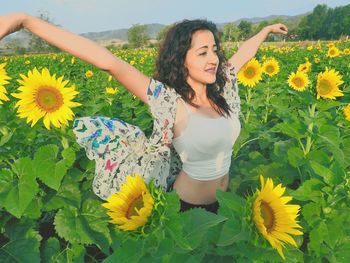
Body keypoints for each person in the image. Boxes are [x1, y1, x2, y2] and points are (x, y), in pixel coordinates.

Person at [0, 12, 288, 214]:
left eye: (214, 50)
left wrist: (263, 32)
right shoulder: (169, 102)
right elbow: (108, 62)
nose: (213, 58)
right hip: (186, 208)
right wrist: (27, 21)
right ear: (181, 59)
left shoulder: (222, 90)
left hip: (226, 200)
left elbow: (243, 55)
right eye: (202, 52)